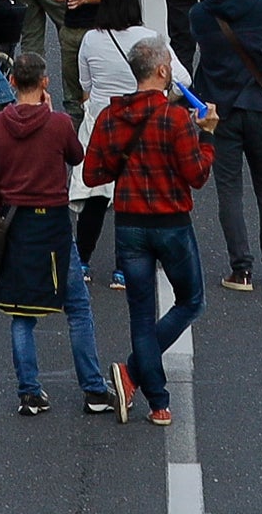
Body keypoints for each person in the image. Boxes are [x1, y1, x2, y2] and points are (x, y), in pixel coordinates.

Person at [81, 34, 214, 424]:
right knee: (190, 301)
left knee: (139, 315)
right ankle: (133, 372)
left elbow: (92, 175)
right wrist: (206, 133)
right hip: (171, 223)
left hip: (129, 225)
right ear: (161, 70)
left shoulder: (109, 117)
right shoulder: (175, 119)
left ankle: (158, 402)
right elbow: (197, 174)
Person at [0, 54, 111, 415]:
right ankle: (94, 389)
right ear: (44, 82)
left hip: (16, 224)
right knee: (78, 308)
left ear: (11, 82)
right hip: (53, 224)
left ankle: (29, 391)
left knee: (21, 312)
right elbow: (76, 156)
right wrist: (53, 113)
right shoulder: (57, 124)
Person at [186, 0, 262, 291]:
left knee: (229, 190)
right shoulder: (260, 6)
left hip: (222, 112)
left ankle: (240, 269)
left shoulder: (200, 14)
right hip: (260, 105)